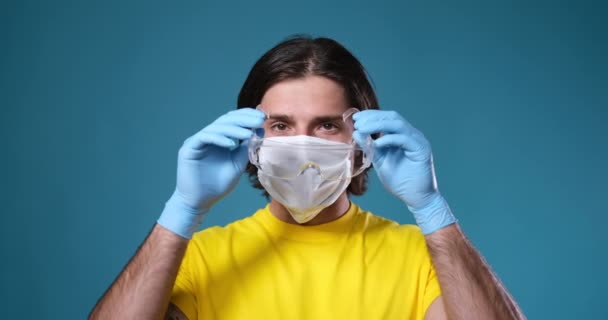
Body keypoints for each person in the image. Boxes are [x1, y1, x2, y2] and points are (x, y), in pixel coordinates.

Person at [89, 36, 525, 320]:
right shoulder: (201, 258)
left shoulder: (421, 258)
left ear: (362, 139)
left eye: (325, 125)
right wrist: (181, 211)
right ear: (251, 140)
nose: (301, 144)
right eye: (280, 126)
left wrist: (432, 210)